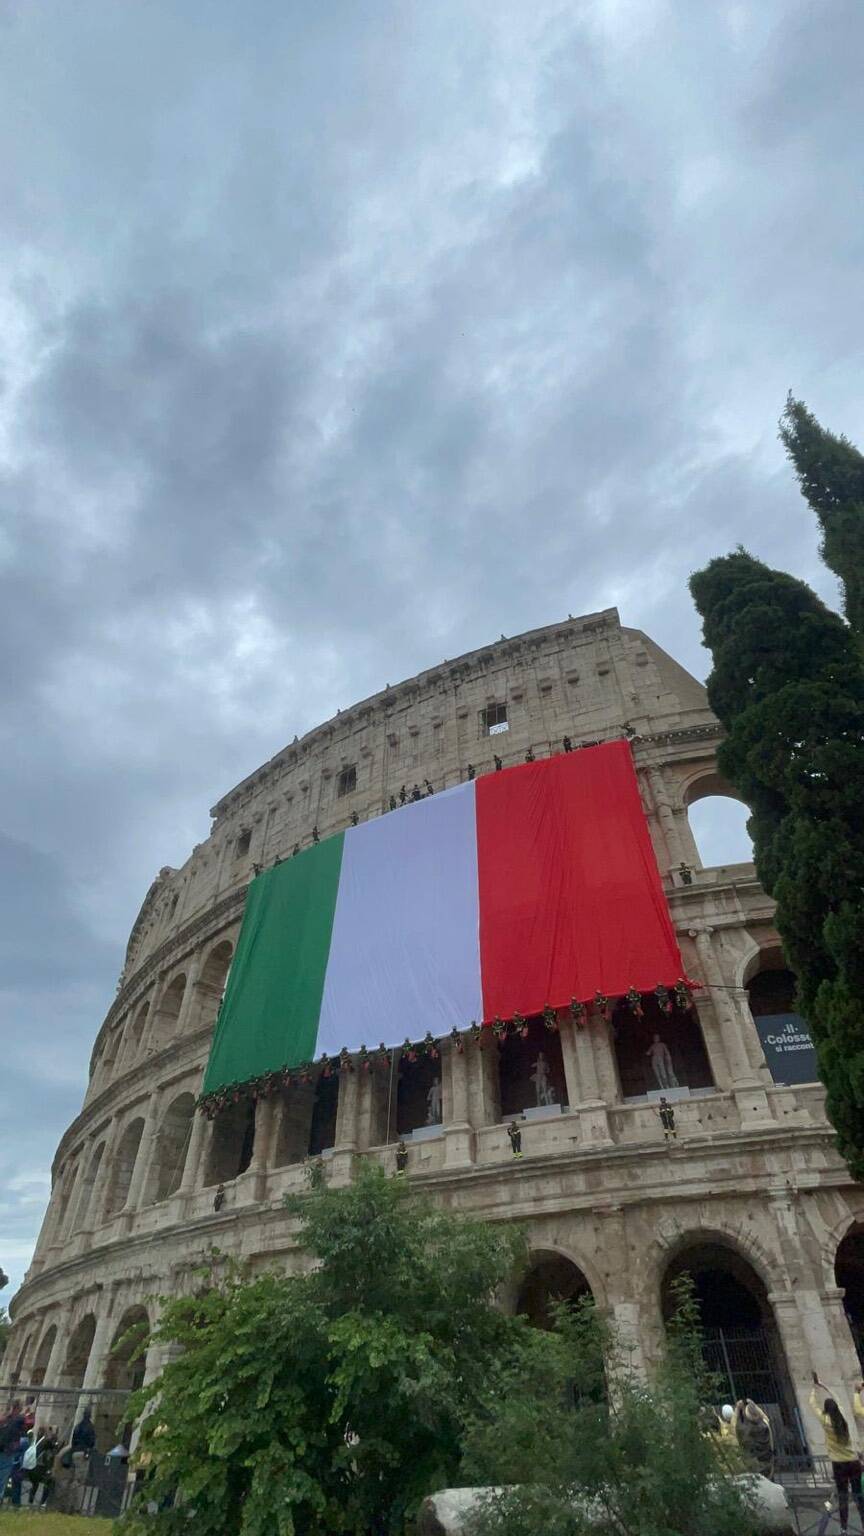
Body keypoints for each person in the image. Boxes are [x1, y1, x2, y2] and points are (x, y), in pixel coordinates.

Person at [809, 1377, 864, 1533]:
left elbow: (812, 1404)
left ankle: (844, 1528)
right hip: (853, 1461)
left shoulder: (825, 1421)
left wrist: (815, 1388)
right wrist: (826, 1385)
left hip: (838, 1463)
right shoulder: (843, 1417)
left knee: (843, 1498)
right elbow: (837, 1397)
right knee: (859, 1496)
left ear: (826, 1409)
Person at [735, 1398, 774, 1479]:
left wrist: (737, 1409)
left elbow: (734, 1425)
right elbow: (765, 1418)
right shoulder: (765, 1426)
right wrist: (754, 1406)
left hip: (754, 1467)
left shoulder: (745, 1430)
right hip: (768, 1466)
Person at [0, 1402, 25, 1504]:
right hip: (7, 1452)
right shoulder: (18, 1420)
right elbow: (27, 1422)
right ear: (18, 1408)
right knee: (3, 1477)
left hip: (2, 1449)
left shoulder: (4, 1420)